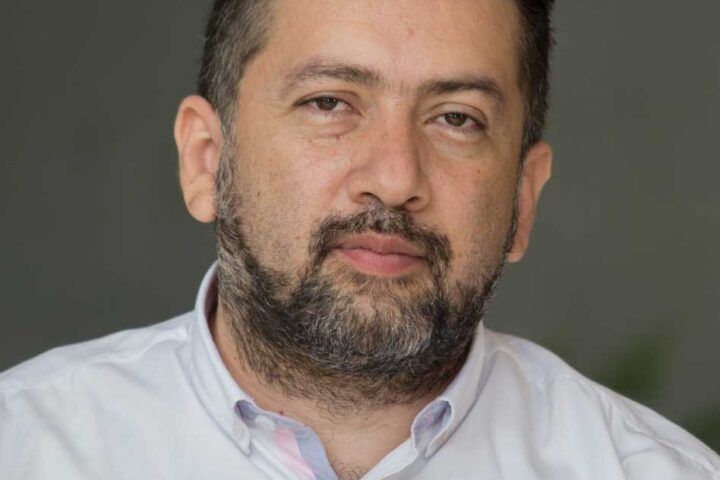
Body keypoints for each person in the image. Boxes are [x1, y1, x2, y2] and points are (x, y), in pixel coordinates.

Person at [1, 0, 718, 478]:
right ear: (206, 160)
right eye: (330, 102)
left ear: (524, 198)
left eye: (457, 118)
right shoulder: (25, 447)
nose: (395, 179)